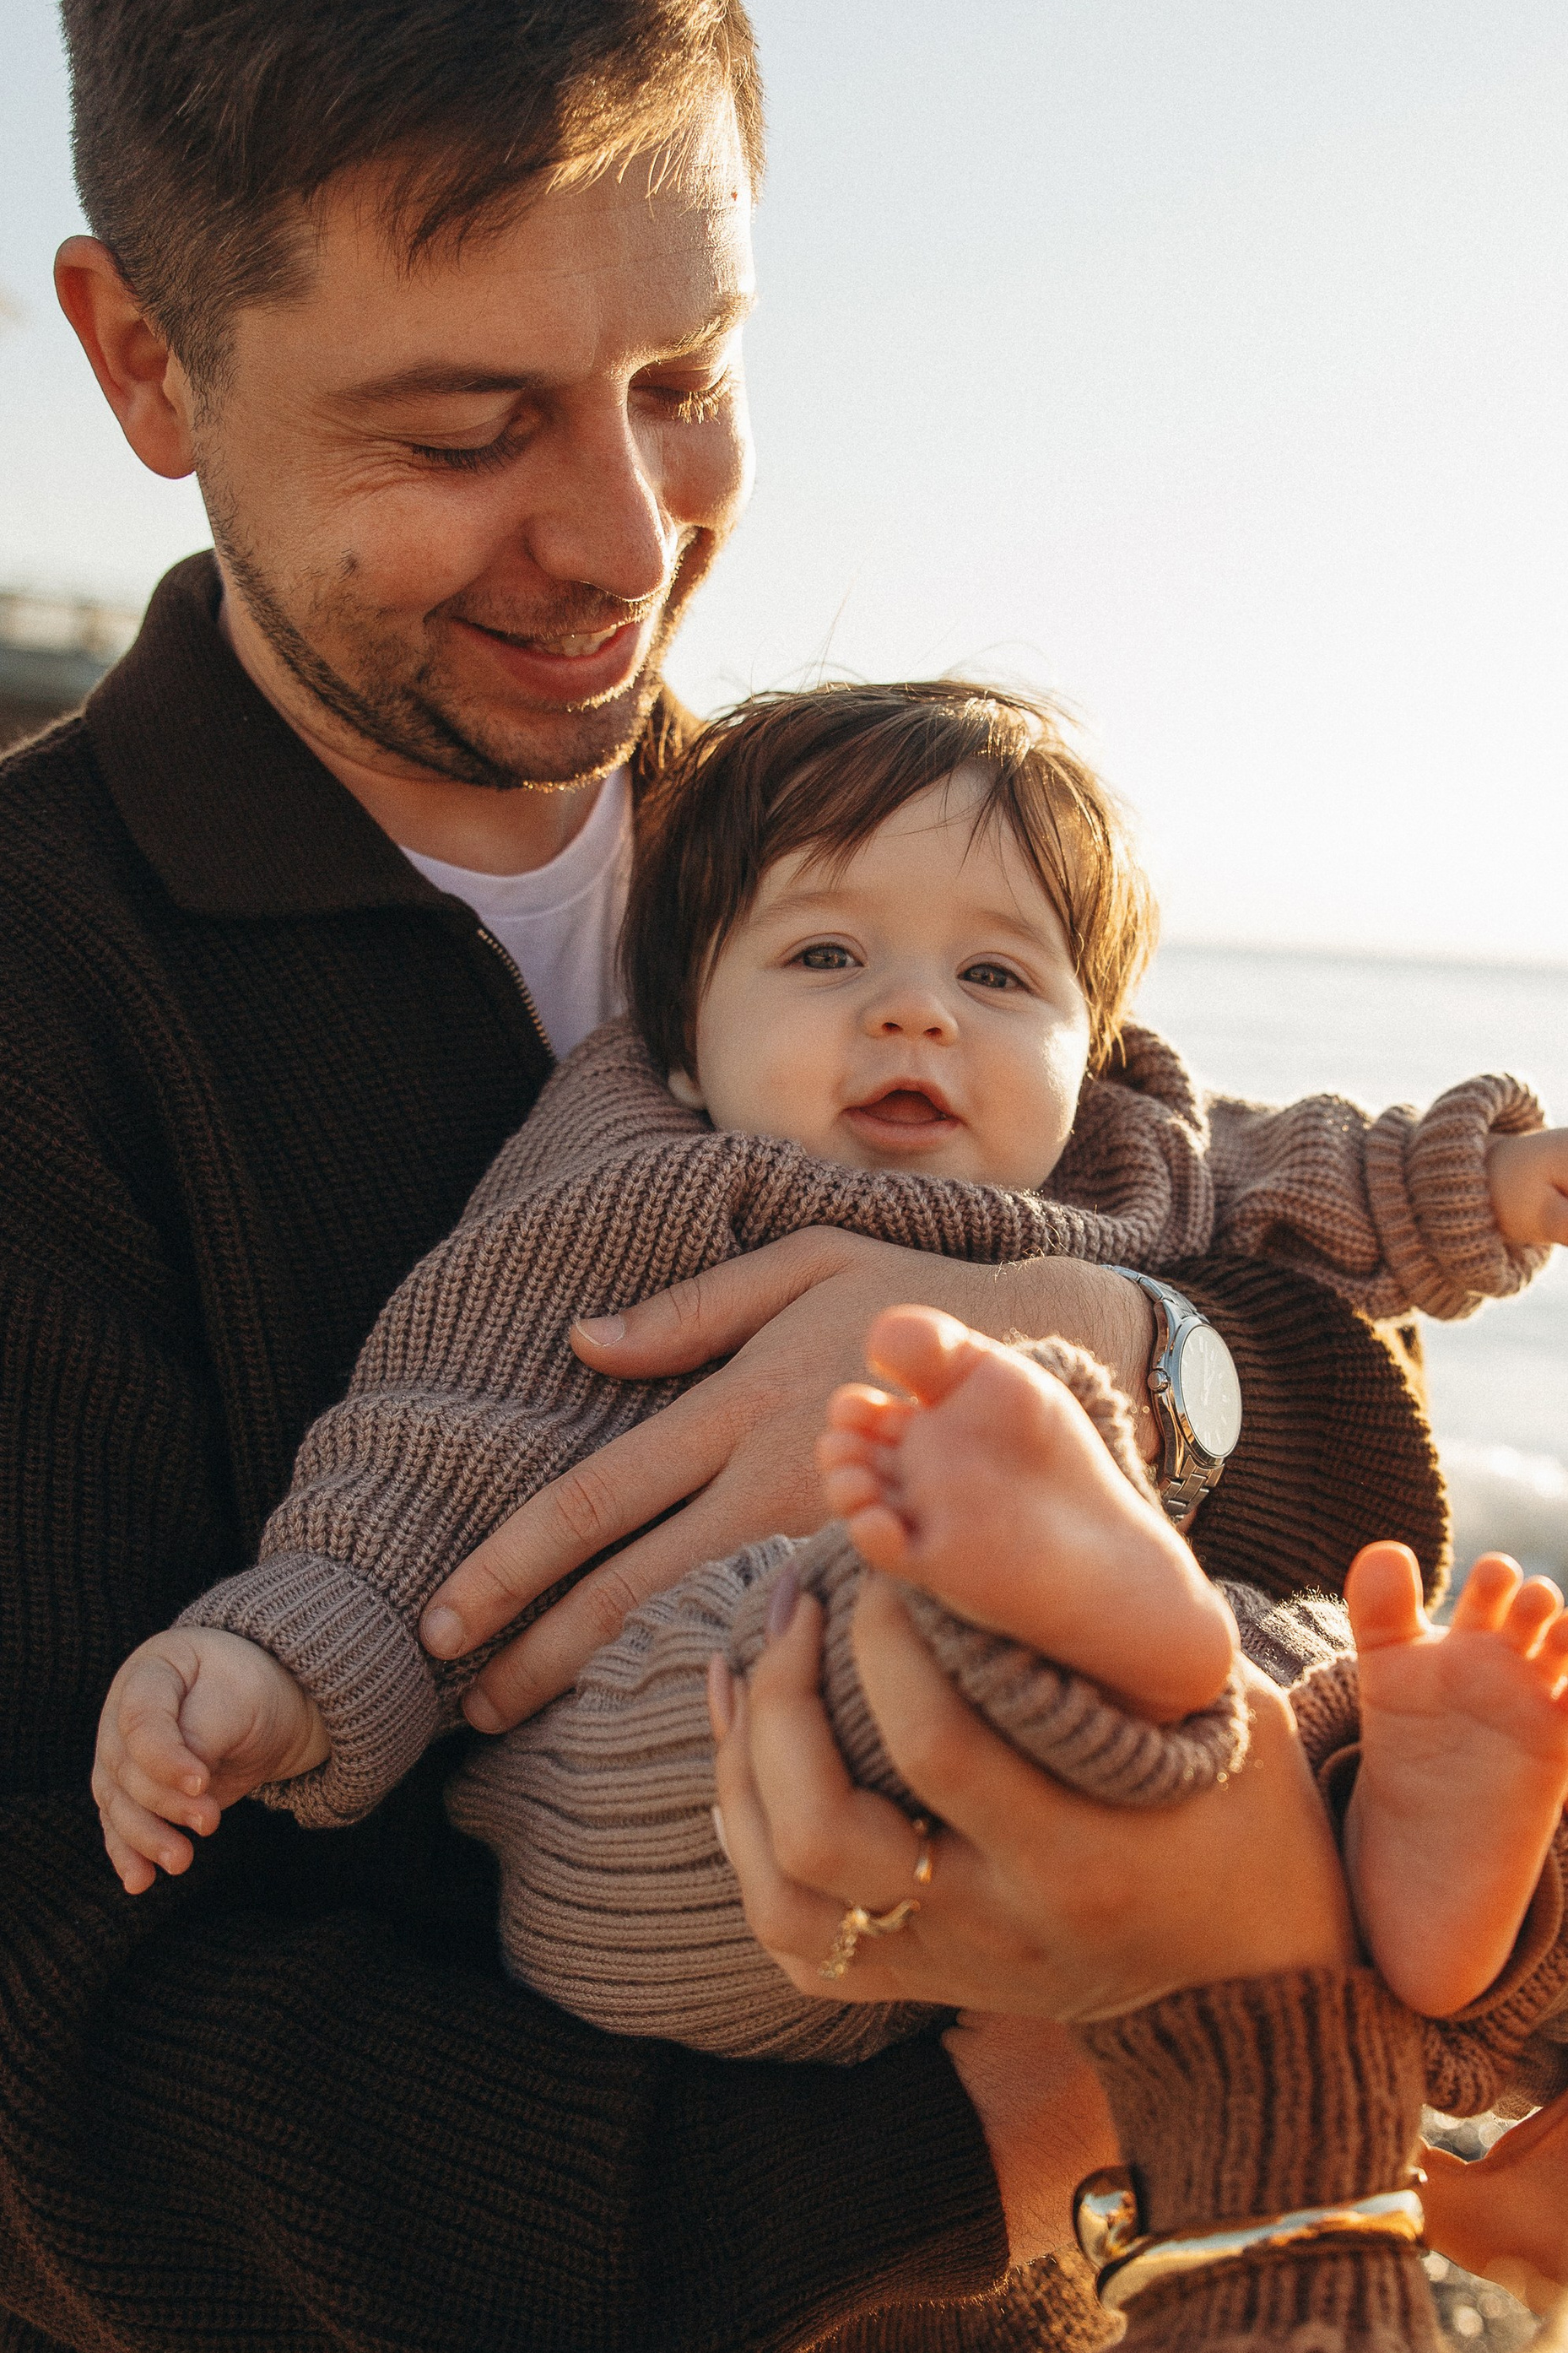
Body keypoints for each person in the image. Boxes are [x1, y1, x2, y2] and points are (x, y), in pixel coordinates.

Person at [0, 0, 1464, 2344]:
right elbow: (58, 2057)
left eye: (686, 375)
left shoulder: (849, 837)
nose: (619, 538)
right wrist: (1013, 2121)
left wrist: (1112, 1351)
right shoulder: (46, 998)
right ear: (144, 362)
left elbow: (1327, 1405)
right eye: (465, 428)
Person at [93, 683, 1567, 2088]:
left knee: (1298, 1663)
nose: (916, 1012)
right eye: (824, 957)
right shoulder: (628, 1192)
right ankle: (1088, 1638)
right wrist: (278, 1674)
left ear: (1091, 1046)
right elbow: (427, 1459)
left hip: (1065, 1847)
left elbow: (1328, 1187)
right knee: (822, 1625)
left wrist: (1497, 1185)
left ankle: (1403, 1840)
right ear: (679, 1038)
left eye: (995, 976)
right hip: (675, 1820)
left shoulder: (1132, 1162)